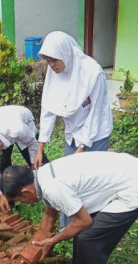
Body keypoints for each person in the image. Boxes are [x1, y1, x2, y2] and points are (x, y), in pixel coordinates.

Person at [0, 151, 138, 264]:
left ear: (26, 191)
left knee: (88, 238)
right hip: (126, 174)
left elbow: (84, 221)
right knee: (83, 230)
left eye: (19, 200)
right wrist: (43, 241)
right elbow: (50, 213)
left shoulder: (53, 187)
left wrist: (55, 239)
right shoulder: (41, 177)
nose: (24, 203)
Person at [33, 31, 113, 170]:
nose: (51, 65)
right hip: (73, 133)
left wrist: (82, 148)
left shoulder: (93, 73)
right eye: (48, 60)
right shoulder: (54, 72)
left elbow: (95, 114)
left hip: (96, 134)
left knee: (91, 176)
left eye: (54, 60)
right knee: (71, 175)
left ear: (66, 54)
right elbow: (48, 108)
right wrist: (40, 149)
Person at [0, 105, 48, 212]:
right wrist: (1, 194)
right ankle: (10, 202)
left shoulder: (17, 129)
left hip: (22, 118)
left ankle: (48, 196)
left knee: (39, 163)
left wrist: (33, 165)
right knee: (3, 168)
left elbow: (33, 143)